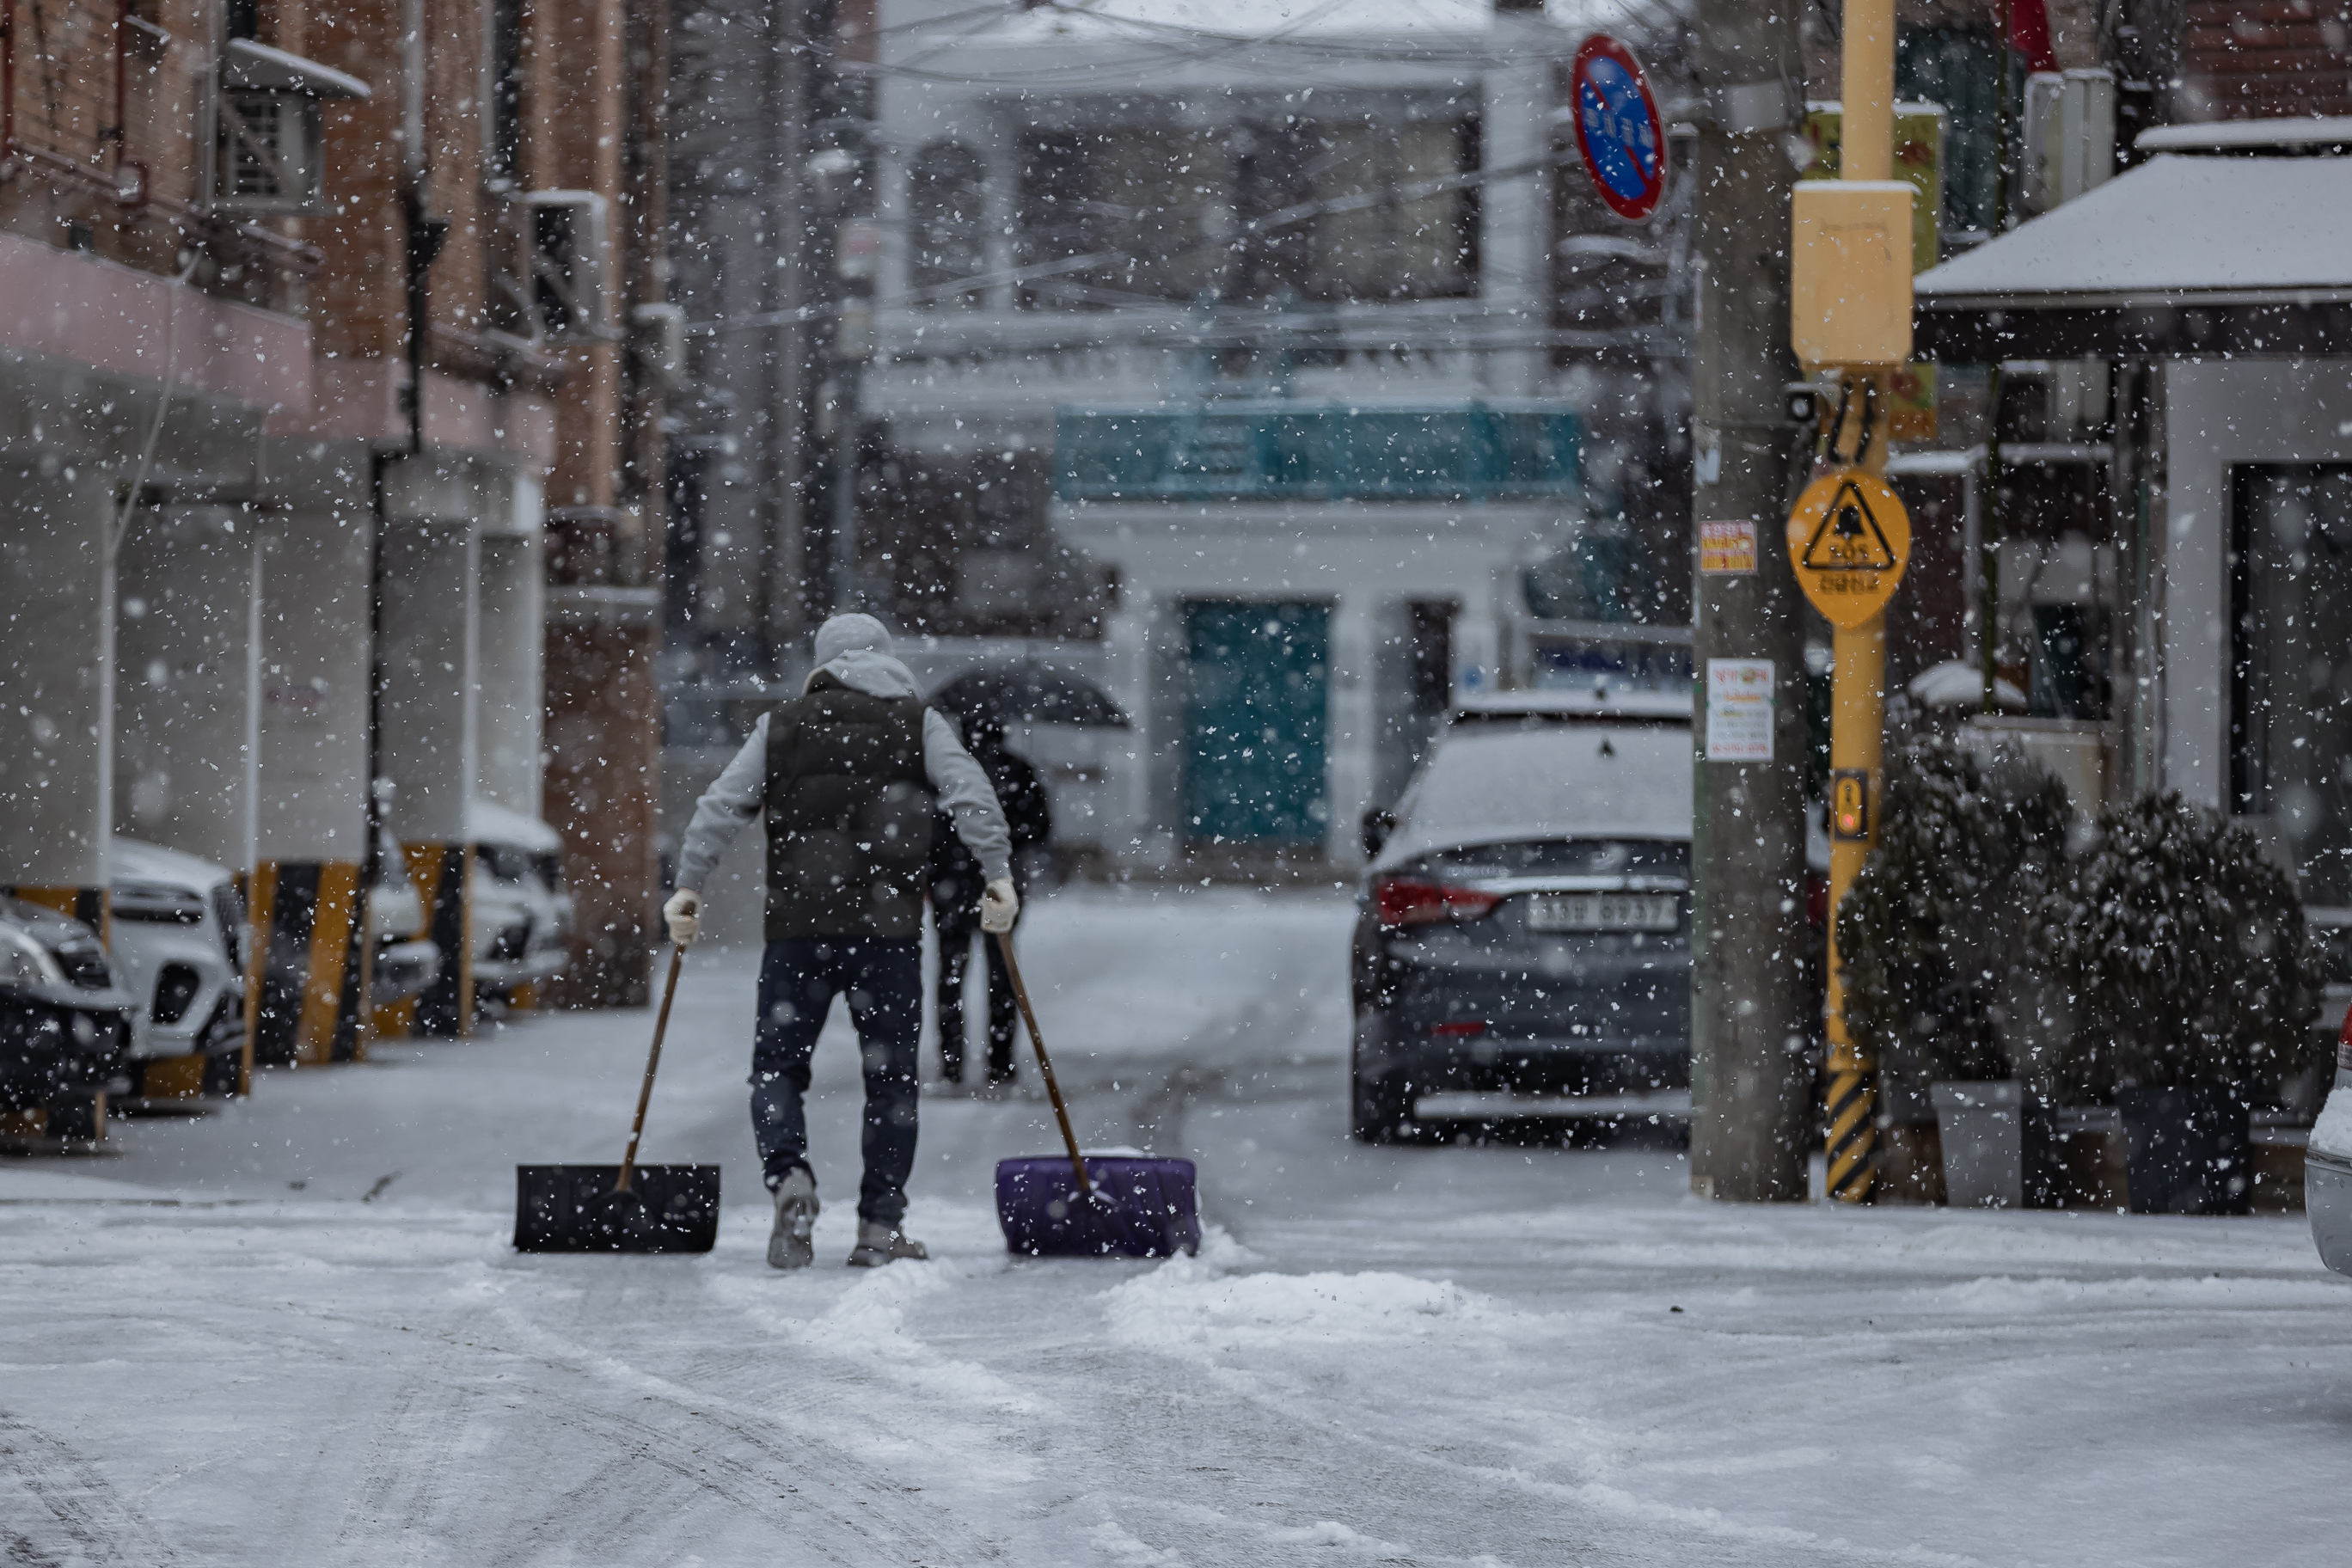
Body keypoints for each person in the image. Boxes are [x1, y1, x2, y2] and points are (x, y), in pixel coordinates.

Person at [664, 614, 1016, 1271]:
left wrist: (690, 885)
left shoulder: (784, 726)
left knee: (777, 1069)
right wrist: (996, 873)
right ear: (887, 659)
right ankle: (879, 1225)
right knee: (891, 1081)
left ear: (822, 663)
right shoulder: (920, 723)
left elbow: (720, 805)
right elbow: (972, 793)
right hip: (886, 936)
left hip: (798, 932)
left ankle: (789, 1176)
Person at [929, 714, 1051, 1087]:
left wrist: (936, 869)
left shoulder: (945, 772)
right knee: (1003, 972)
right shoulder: (1018, 770)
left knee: (951, 973)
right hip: (1000, 882)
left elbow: (929, 829)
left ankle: (952, 1063)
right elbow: (1041, 828)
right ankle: (1000, 1063)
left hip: (951, 883)